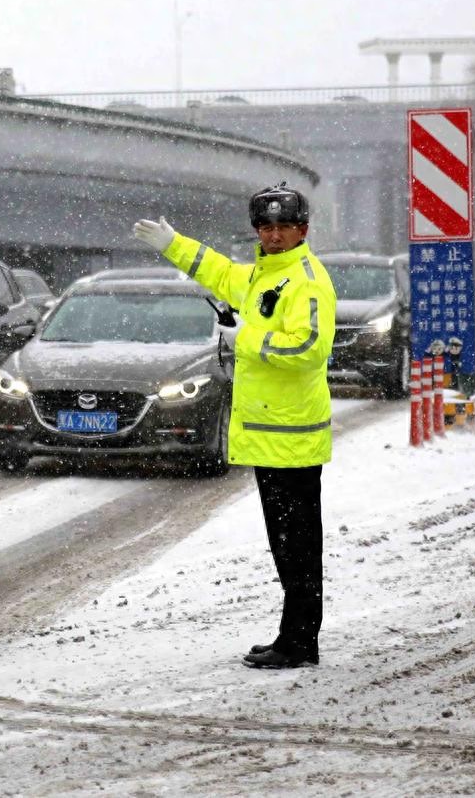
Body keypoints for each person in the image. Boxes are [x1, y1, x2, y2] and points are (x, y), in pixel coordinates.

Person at [132, 182, 337, 669]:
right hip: (271, 440)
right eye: (265, 227)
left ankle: (300, 642)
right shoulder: (264, 276)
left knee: (299, 550)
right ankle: (293, 636)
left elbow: (308, 349)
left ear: (302, 230)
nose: (273, 235)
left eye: (283, 226)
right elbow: (219, 271)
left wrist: (246, 336)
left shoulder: (306, 280)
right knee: (287, 549)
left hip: (293, 442)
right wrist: (173, 244)